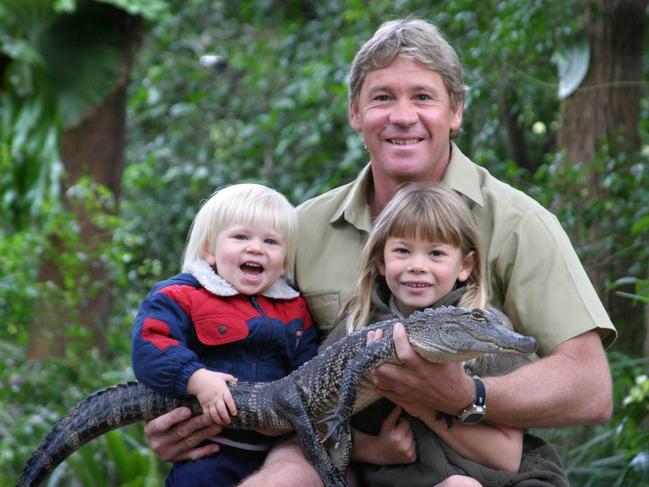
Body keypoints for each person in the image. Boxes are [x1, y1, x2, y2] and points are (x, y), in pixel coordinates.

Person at [142, 18, 617, 486]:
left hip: (469, 457)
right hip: (337, 446)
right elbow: (226, 332)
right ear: (355, 112)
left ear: (456, 111)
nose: (403, 116)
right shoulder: (300, 227)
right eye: (382, 97)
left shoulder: (518, 222)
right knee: (284, 473)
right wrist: (184, 412)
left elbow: (590, 388)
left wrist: (465, 394)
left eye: (423, 97)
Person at [323, 183, 526, 486]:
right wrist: (373, 450)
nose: (417, 266)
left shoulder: (486, 334)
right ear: (381, 260)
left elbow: (507, 457)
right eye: (403, 251)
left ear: (465, 265)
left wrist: (423, 404)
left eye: (436, 253)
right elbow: (314, 420)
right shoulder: (357, 326)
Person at [131, 183, 319, 486]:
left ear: (285, 260)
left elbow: (309, 367)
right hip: (209, 450)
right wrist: (197, 378)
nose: (256, 248)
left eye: (271, 241)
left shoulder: (295, 308)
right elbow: (151, 345)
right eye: (241, 236)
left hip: (276, 453)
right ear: (209, 250)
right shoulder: (182, 295)